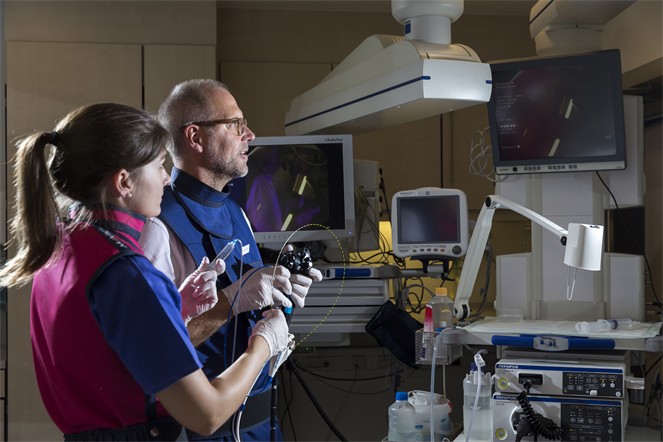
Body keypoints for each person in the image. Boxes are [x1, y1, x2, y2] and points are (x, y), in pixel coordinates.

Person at [0, 103, 291, 441]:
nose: (166, 178)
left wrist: (174, 309)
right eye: (158, 166)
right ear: (124, 182)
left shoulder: (62, 246)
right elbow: (206, 414)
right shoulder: (128, 272)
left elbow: (102, 348)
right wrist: (264, 344)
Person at [139, 79, 323, 441]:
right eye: (236, 124)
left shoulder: (237, 214)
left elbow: (249, 317)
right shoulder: (157, 228)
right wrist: (234, 299)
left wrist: (278, 298)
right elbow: (153, 351)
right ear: (195, 137)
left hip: (260, 424)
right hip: (201, 429)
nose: (250, 134)